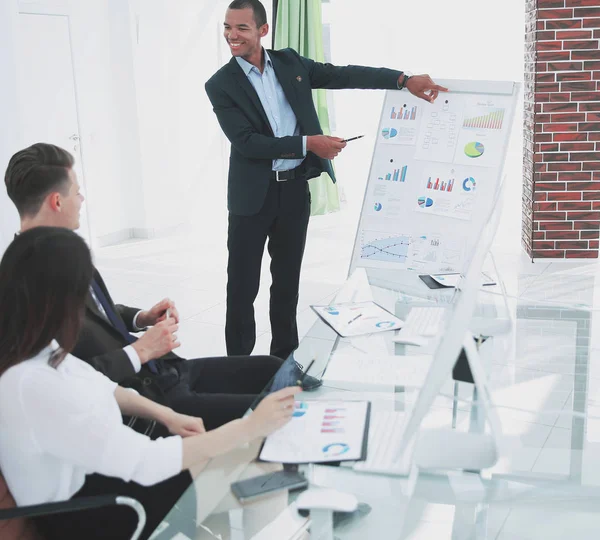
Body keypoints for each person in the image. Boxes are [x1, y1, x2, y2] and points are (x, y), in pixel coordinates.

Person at [0, 226, 300, 540]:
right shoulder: (30, 385)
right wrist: (251, 426)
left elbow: (104, 387)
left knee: (252, 471)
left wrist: (167, 416)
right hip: (99, 512)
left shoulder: (33, 350)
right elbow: (146, 462)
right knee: (262, 476)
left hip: (105, 478)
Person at [3, 143, 320, 432]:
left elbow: (95, 314)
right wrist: (139, 351)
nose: (82, 200)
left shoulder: (60, 252)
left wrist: (142, 318)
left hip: (164, 372)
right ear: (57, 201)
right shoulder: (24, 284)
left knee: (273, 369)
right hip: (147, 398)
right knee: (281, 410)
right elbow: (60, 381)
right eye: (77, 192)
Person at [205, 0, 448, 360]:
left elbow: (344, 75)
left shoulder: (290, 63)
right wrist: (309, 144)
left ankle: (284, 362)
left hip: (293, 193)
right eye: (228, 27)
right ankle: (237, 368)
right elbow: (247, 143)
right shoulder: (220, 84)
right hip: (250, 200)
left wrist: (401, 80)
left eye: (241, 27)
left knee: (286, 287)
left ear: (262, 30)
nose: (232, 35)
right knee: (242, 289)